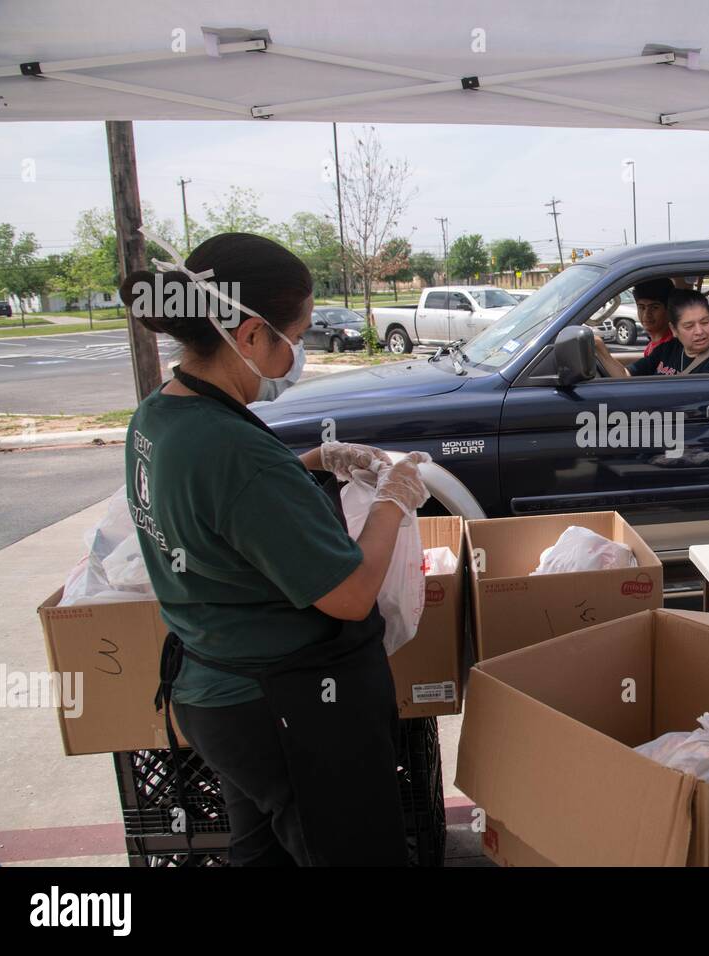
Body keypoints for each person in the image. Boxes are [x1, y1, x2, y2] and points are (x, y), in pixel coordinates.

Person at [122, 231, 432, 866]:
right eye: (301, 331)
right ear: (254, 334)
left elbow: (221, 508)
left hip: (216, 692)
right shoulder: (233, 451)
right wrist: (392, 500)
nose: (301, 350)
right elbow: (348, 595)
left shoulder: (159, 414)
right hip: (287, 709)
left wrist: (311, 462)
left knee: (264, 854)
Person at [599, 289, 709, 376]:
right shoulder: (668, 349)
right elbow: (625, 375)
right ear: (674, 330)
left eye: (705, 322)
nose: (699, 331)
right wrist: (599, 348)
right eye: (689, 326)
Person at [633, 277, 675, 357]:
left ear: (668, 309)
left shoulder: (673, 345)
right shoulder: (651, 346)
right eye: (642, 307)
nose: (646, 314)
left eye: (654, 307)